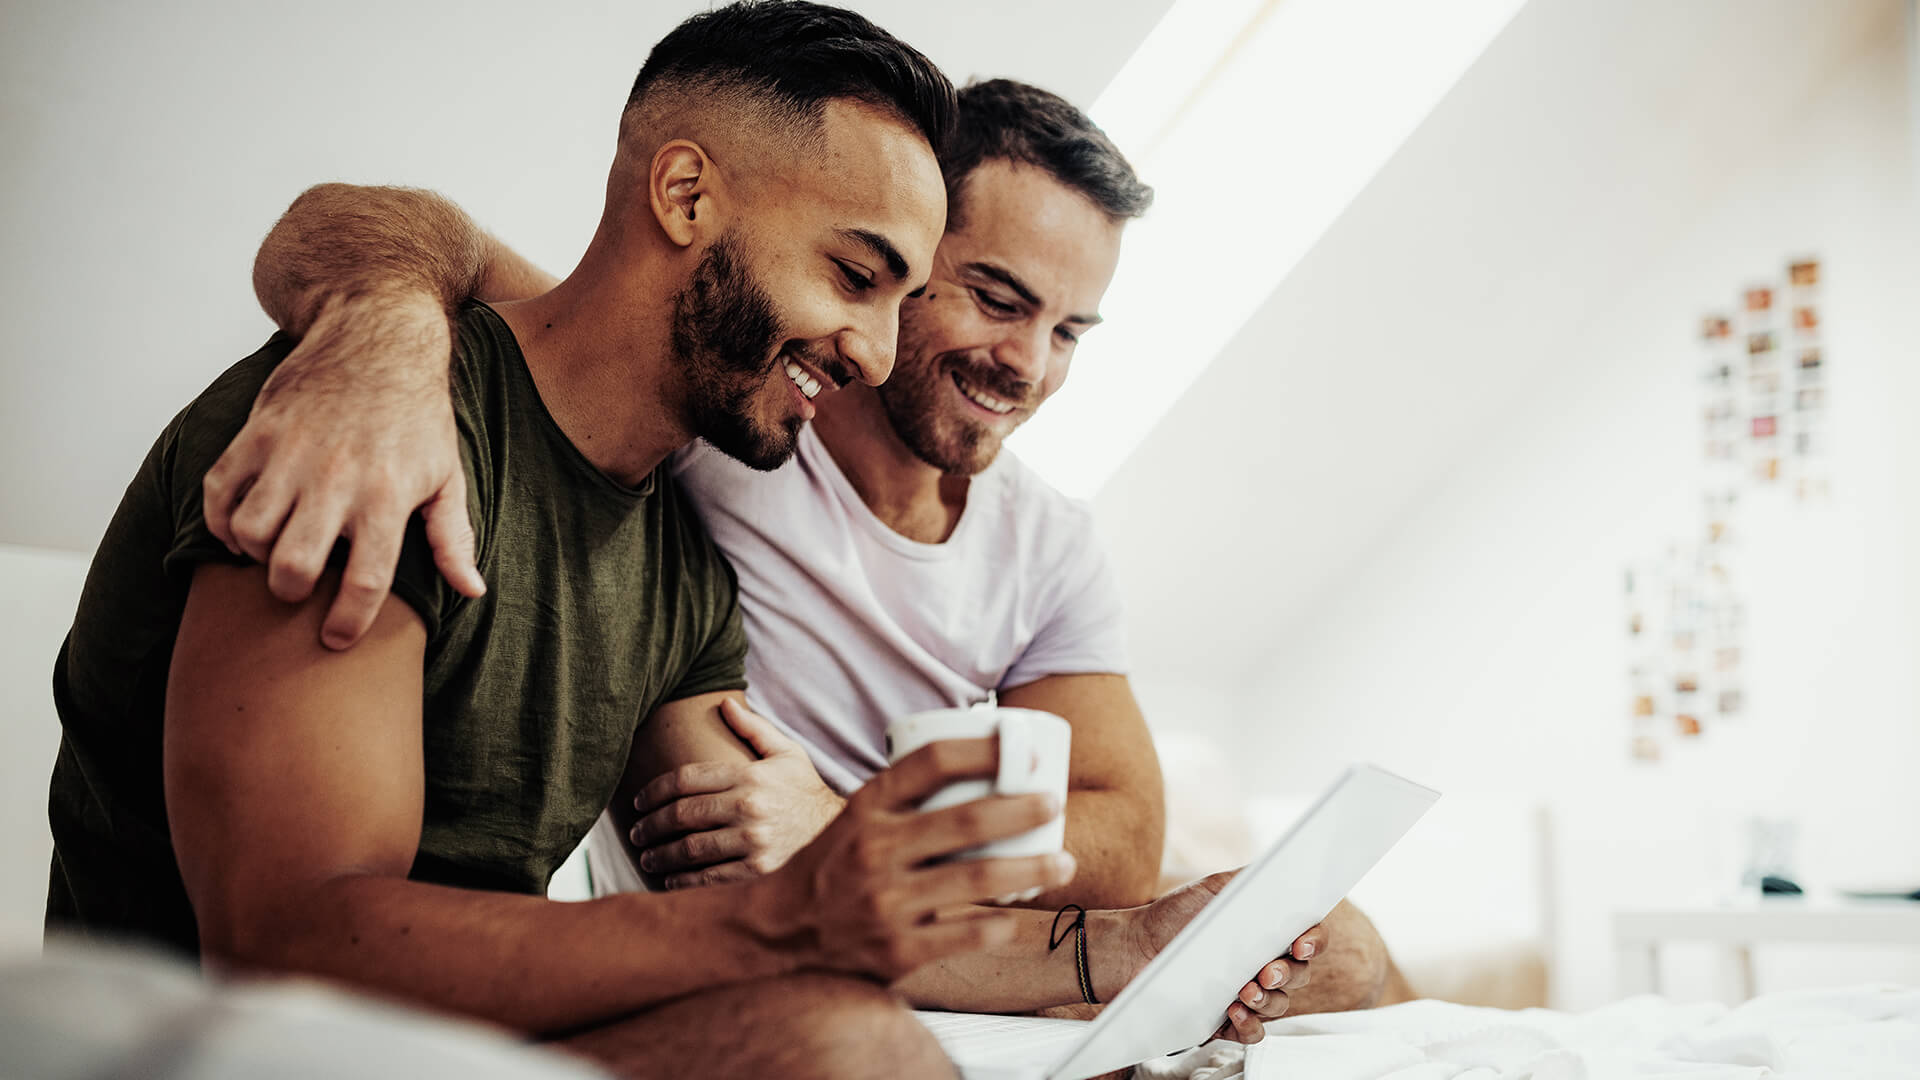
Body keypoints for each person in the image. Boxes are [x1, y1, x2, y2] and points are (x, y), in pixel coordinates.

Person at [204, 74, 1395, 1034]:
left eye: (1070, 330)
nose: (1029, 363)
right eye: (989, 296)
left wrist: (846, 829)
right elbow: (431, 249)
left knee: (1345, 947)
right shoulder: (730, 412)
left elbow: (1127, 830)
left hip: (889, 887)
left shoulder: (1029, 535)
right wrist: (383, 338)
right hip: (785, 920)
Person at [45, 6, 1102, 1077]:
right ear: (684, 195)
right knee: (840, 1048)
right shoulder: (370, 424)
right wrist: (781, 926)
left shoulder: (681, 566)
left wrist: (1126, 955)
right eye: (854, 277)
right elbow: (284, 953)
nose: (877, 356)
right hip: (197, 1056)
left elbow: (778, 896)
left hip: (450, 1054)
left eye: (904, 299)